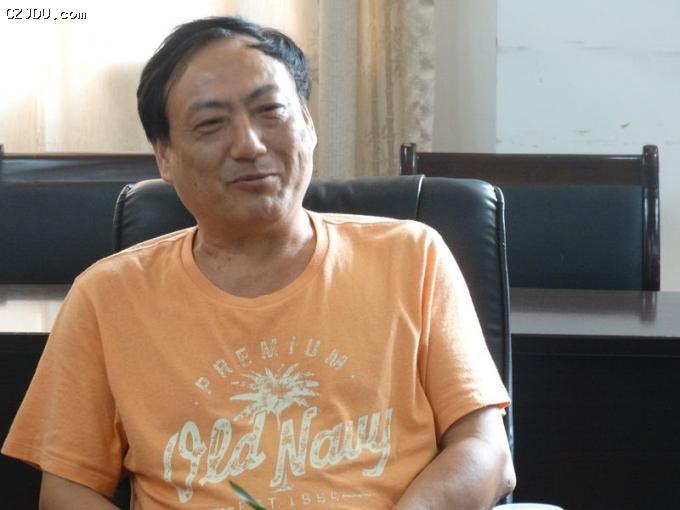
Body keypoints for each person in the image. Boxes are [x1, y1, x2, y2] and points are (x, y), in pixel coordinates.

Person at [2, 16, 515, 510]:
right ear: (165, 156)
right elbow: (65, 490)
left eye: (270, 111)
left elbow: (487, 451)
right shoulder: (106, 296)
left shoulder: (412, 257)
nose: (249, 144)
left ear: (308, 124)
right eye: (211, 124)